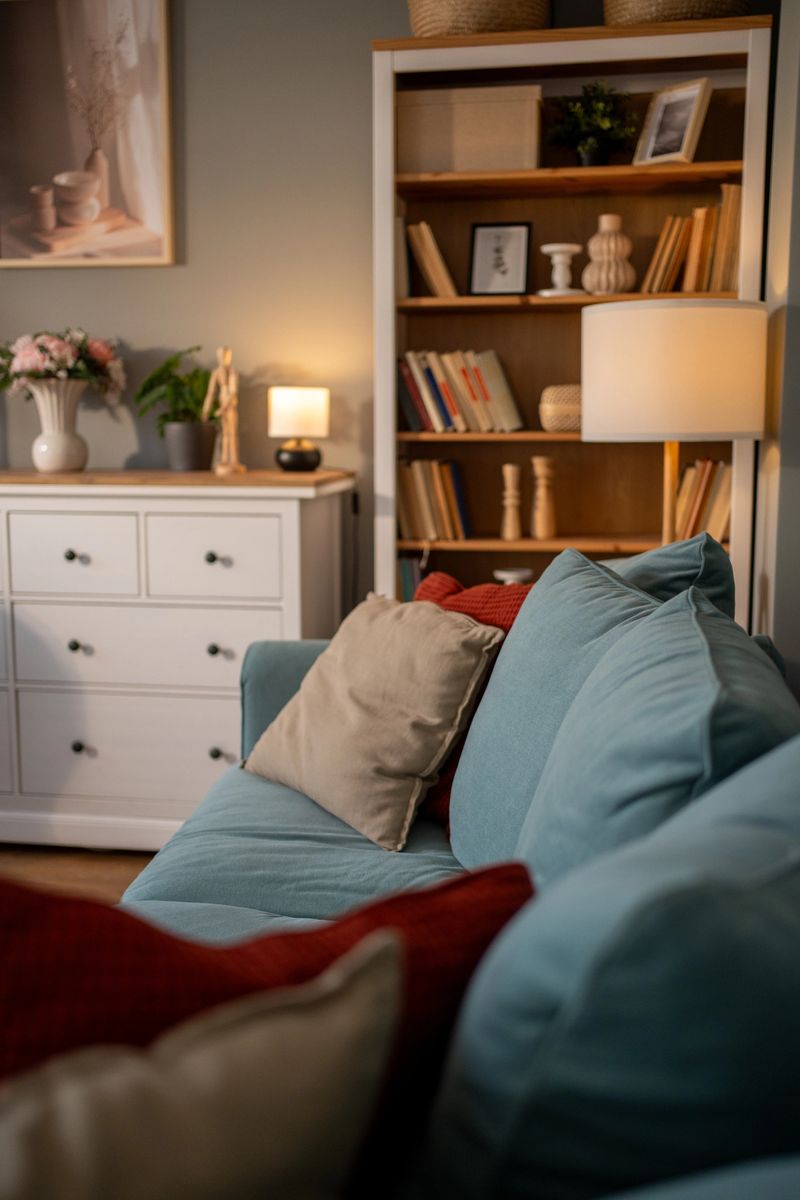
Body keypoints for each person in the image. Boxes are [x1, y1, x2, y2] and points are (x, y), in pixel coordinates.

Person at [202, 345, 246, 475]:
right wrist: (206, 409)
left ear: (229, 357)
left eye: (225, 355)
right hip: (223, 402)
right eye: (220, 355)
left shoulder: (233, 373)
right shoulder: (216, 373)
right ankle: (224, 460)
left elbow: (233, 393)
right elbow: (210, 393)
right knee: (224, 434)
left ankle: (234, 460)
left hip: (230, 406)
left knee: (232, 434)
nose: (223, 358)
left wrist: (222, 409)